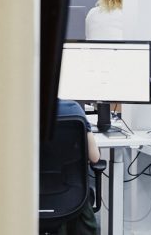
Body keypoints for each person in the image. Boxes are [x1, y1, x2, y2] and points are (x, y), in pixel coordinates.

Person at [57, 99, 100, 234]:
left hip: (28, 196)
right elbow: (94, 157)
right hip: (71, 195)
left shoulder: (15, 112)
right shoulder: (73, 109)